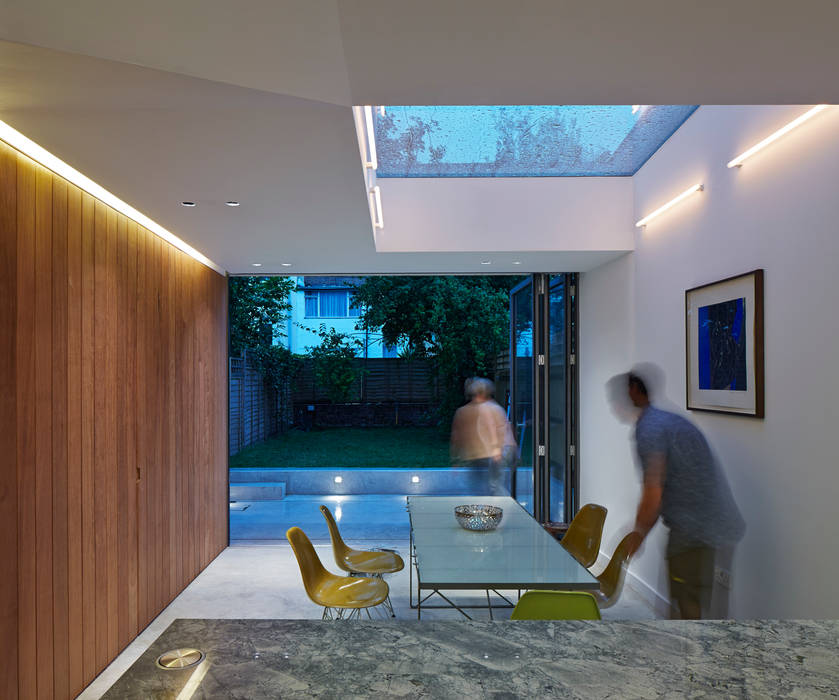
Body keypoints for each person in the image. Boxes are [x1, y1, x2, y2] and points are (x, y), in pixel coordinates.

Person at [611, 365, 745, 619]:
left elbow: (653, 490)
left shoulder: (651, 428)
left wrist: (637, 534)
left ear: (635, 391)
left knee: (688, 603)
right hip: (708, 522)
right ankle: (694, 652)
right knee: (687, 598)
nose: (615, 404)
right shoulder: (666, 421)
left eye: (619, 395)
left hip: (697, 527)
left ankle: (693, 656)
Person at [450, 377, 516, 495]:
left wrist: (496, 450)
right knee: (492, 483)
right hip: (503, 448)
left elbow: (492, 428)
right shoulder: (493, 406)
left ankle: (505, 506)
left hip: (501, 449)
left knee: (495, 485)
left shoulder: (485, 407)